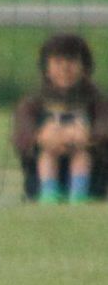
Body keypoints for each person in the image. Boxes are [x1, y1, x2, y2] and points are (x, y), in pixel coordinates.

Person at [12, 33, 107, 203]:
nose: (64, 68)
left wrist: (88, 137)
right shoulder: (32, 103)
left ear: (84, 67)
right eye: (57, 62)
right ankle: (49, 193)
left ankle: (80, 193)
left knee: (83, 155)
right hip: (42, 168)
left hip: (91, 173)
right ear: (46, 69)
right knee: (46, 155)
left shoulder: (97, 101)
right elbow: (21, 136)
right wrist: (41, 138)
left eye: (71, 62)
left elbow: (104, 126)